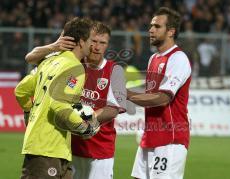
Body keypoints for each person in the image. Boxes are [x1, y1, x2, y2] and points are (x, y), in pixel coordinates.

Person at [25, 21, 127, 179]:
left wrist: (87, 119)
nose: (97, 47)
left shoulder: (116, 71)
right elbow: (30, 57)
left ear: (107, 45)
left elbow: (113, 108)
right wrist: (54, 46)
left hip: (100, 152)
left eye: (102, 43)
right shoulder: (72, 63)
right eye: (93, 41)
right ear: (85, 41)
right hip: (70, 148)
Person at [15, 17, 99, 179]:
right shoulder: (75, 68)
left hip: (51, 148)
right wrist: (84, 127)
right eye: (91, 40)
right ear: (81, 42)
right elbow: (59, 104)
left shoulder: (48, 62)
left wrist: (28, 111)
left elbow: (20, 90)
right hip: (48, 149)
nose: (93, 46)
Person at [127, 7, 192, 179]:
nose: (150, 30)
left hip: (170, 139)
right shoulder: (153, 59)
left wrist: (126, 94)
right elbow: (150, 95)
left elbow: (163, 98)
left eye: (157, 26)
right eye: (150, 26)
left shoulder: (178, 59)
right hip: (150, 135)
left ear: (171, 31)